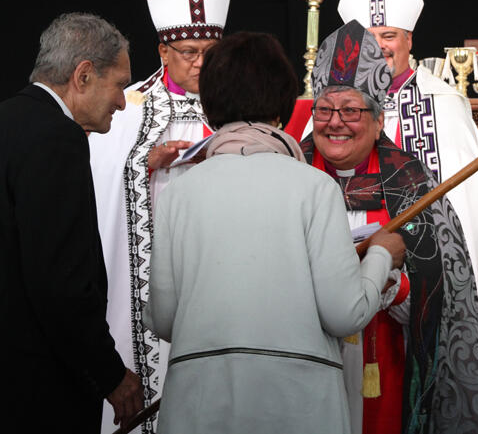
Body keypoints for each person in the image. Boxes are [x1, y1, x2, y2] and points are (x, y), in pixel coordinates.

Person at [143, 31, 406, 434]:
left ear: (210, 107)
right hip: (295, 403)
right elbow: (345, 313)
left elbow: (162, 319)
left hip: (199, 403)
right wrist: (381, 254)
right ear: (283, 105)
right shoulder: (314, 187)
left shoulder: (179, 192)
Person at [302, 20, 478, 434]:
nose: (335, 123)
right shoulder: (290, 175)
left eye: (351, 110)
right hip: (305, 362)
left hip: (386, 360)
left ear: (378, 119)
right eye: (325, 109)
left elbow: (443, 301)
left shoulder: (411, 183)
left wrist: (394, 286)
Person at [88, 0, 230, 432]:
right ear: (163, 51)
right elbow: (93, 187)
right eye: (189, 52)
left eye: (209, 53)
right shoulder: (124, 110)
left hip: (217, 270)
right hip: (143, 280)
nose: (199, 63)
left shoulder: (237, 106)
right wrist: (142, 165)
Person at [1, 13, 143, 433]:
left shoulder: (8, 120)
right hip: (39, 391)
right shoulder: (57, 138)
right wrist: (110, 375)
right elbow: (58, 281)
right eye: (119, 84)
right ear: (83, 76)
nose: (122, 101)